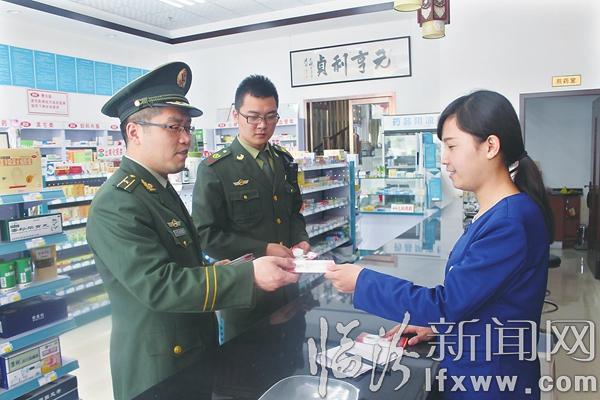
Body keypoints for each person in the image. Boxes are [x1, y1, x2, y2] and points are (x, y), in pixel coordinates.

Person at [86, 62, 298, 400]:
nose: (186, 138)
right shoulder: (117, 202)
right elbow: (159, 285)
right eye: (173, 127)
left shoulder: (158, 189)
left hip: (191, 350)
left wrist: (220, 269)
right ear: (134, 132)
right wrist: (248, 276)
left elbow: (182, 262)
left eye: (187, 127)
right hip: (159, 366)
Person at [325, 90, 554, 399]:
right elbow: (482, 301)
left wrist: (362, 281)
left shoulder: (509, 222)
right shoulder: (503, 211)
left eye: (452, 146)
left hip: (490, 381)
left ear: (490, 146)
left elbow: (446, 304)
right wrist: (437, 328)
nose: (444, 158)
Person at [192, 75, 309, 341]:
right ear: (236, 115)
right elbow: (206, 235)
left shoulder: (283, 160)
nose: (262, 125)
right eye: (253, 117)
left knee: (294, 353)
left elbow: (293, 211)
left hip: (289, 288)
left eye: (270, 116)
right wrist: (263, 249)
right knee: (249, 362)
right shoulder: (216, 169)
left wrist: (301, 239)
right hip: (248, 295)